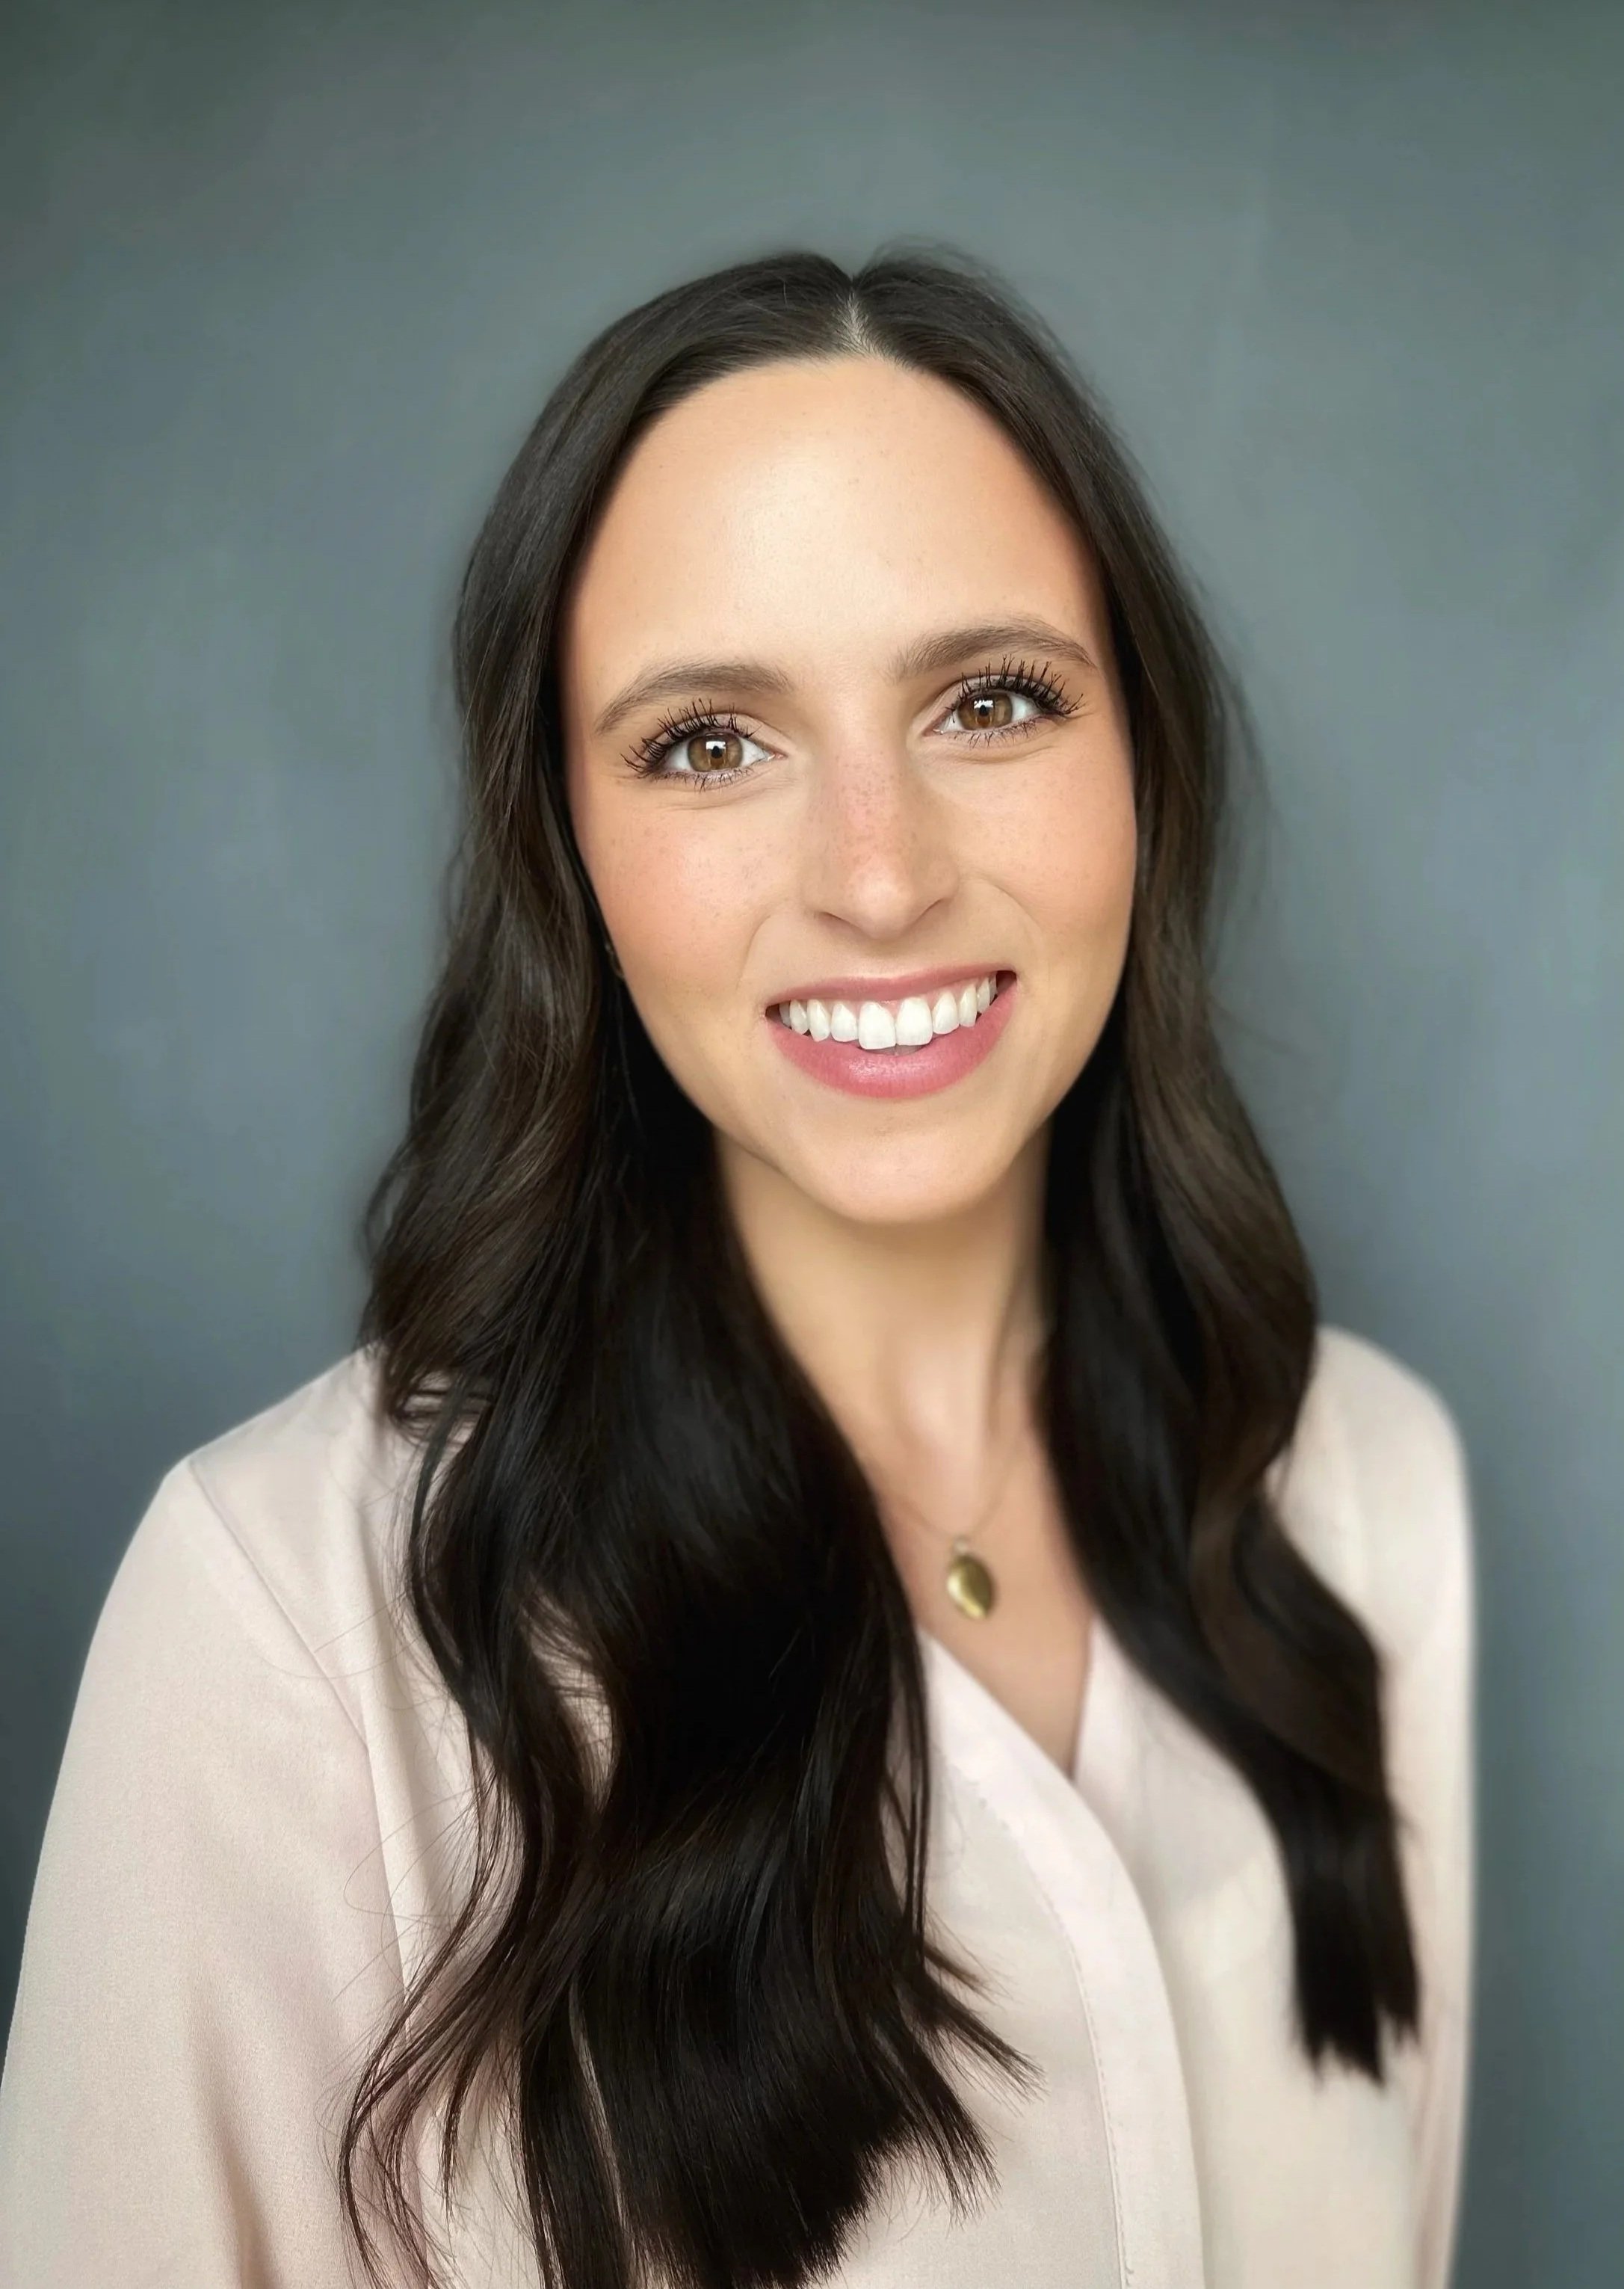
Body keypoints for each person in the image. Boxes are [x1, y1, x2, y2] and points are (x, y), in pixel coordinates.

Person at [0, 247, 1475, 2289]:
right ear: (567, 850)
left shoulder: (1366, 1490)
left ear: (1141, 759)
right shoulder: (288, 1638)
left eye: (991, 701)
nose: (877, 874)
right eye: (709, 741)